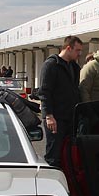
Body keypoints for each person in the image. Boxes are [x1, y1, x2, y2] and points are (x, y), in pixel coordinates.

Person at [37, 35, 84, 167]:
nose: (79, 54)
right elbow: (45, 92)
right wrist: (49, 116)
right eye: (77, 50)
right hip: (56, 118)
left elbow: (75, 91)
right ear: (68, 48)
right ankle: (51, 178)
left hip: (71, 117)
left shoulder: (74, 67)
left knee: (68, 154)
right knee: (54, 155)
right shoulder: (51, 65)